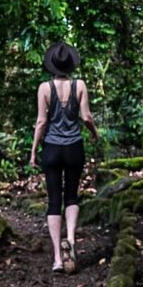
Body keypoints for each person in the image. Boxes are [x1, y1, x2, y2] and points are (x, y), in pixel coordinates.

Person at [29, 41, 99, 273]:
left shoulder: (44, 88)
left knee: (53, 201)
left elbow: (41, 122)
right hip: (74, 147)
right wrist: (95, 134)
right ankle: (70, 239)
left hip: (51, 148)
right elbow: (87, 117)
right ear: (70, 64)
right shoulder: (80, 85)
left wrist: (33, 151)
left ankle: (58, 258)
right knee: (72, 195)